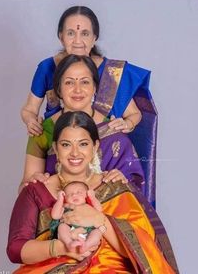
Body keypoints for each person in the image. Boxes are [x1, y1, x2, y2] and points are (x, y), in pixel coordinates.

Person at [7, 111, 179, 273]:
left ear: (95, 147)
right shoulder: (36, 190)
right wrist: (61, 247)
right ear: (56, 148)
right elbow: (15, 249)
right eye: (66, 144)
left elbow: (141, 249)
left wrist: (100, 220)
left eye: (83, 144)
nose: (75, 152)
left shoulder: (114, 185)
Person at [20, 6, 157, 206]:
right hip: (55, 202)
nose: (77, 40)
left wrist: (127, 125)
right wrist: (34, 183)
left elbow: (134, 116)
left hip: (104, 201)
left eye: (84, 33)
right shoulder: (47, 70)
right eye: (70, 33)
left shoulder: (111, 75)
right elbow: (29, 110)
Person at [20, 55, 145, 198]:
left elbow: (135, 192)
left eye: (85, 82)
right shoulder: (43, 131)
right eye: (69, 83)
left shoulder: (113, 131)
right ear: (59, 89)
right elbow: (25, 190)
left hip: (104, 215)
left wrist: (122, 181)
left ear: (95, 88)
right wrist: (34, 184)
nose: (77, 90)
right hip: (55, 213)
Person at [50, 181, 103, 253]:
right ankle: (69, 243)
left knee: (97, 232)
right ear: (65, 198)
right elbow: (55, 216)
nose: (74, 195)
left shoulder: (90, 206)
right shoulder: (65, 207)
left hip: (88, 232)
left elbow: (99, 211)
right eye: (70, 194)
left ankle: (87, 245)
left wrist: (92, 197)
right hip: (70, 230)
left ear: (86, 195)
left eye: (79, 193)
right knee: (62, 226)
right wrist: (60, 199)